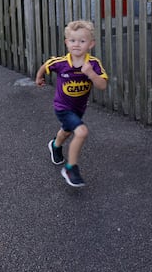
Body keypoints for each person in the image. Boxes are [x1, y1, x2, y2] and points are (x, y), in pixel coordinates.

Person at [35, 20, 108, 187]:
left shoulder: (93, 64)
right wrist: (39, 77)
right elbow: (47, 65)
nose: (77, 45)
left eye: (82, 41)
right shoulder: (61, 63)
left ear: (91, 44)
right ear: (66, 42)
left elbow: (102, 86)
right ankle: (70, 168)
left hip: (79, 108)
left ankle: (54, 145)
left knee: (67, 131)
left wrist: (90, 74)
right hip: (62, 107)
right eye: (73, 41)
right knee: (81, 132)